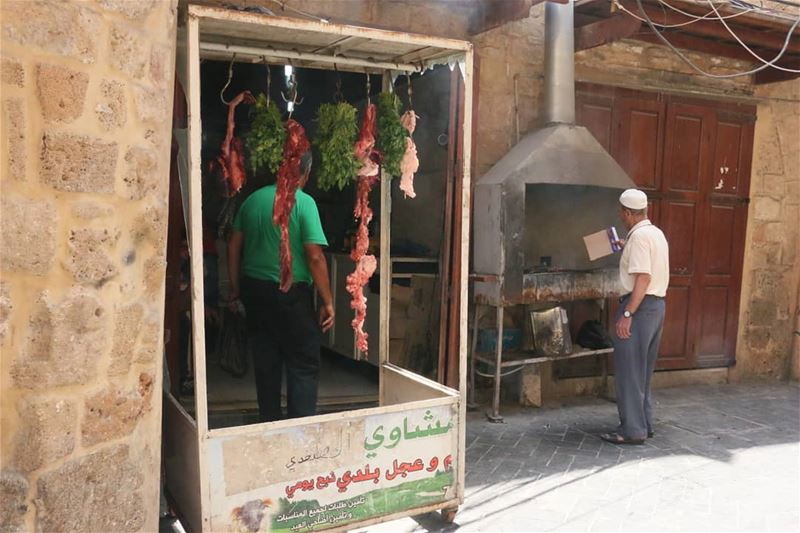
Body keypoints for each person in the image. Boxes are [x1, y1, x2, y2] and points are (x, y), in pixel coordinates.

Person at [227, 151, 334, 422]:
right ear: (305, 174)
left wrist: (236, 287)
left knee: (266, 363)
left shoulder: (252, 200)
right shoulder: (304, 202)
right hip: (292, 295)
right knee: (303, 363)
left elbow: (233, 246)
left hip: (255, 292)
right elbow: (315, 256)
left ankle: (270, 426)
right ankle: (300, 434)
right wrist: (328, 301)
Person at [601, 189, 669, 445]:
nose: (620, 215)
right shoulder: (654, 234)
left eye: (621, 212)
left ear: (628, 213)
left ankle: (632, 430)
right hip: (656, 308)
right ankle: (644, 424)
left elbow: (643, 277)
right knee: (642, 371)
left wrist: (628, 313)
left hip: (640, 309)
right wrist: (625, 246)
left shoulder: (639, 238)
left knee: (629, 372)